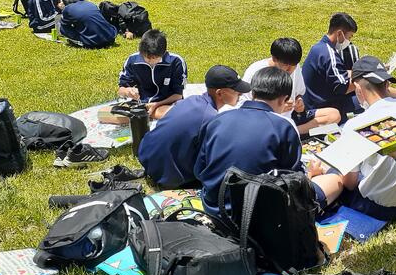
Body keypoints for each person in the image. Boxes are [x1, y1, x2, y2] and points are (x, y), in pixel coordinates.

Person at [307, 56, 396, 220]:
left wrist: (324, 170)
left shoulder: (356, 124)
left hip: (379, 206)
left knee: (334, 172)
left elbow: (350, 183)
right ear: (387, 84)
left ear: (358, 88)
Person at [194, 67, 322, 217]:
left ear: (253, 93)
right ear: (284, 99)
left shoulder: (218, 119)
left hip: (213, 207)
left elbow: (199, 170)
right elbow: (295, 184)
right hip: (255, 218)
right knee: (332, 180)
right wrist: (311, 173)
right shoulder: (283, 127)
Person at [138, 65, 249, 190]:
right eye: (236, 90)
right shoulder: (210, 118)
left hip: (147, 157)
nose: (240, 94)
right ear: (220, 93)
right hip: (167, 178)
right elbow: (209, 160)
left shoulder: (192, 100)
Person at [242, 37, 341, 135]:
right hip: (267, 121)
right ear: (274, 58)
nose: (290, 70)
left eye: (294, 65)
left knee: (334, 115)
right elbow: (244, 106)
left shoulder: (294, 67)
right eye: (285, 65)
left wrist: (299, 102)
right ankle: (287, 133)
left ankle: (293, 131)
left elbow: (298, 94)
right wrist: (278, 108)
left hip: (292, 117)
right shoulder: (256, 72)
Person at [302, 12, 360, 121]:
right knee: (367, 96)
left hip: (312, 104)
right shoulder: (329, 54)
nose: (349, 41)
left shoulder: (319, 48)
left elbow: (338, 73)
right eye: (349, 37)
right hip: (322, 109)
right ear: (340, 34)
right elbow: (342, 87)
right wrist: (366, 78)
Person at [118, 29, 187, 119]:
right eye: (146, 57)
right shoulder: (132, 61)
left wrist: (156, 104)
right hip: (140, 106)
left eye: (154, 58)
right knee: (106, 114)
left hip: (166, 104)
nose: (150, 61)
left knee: (177, 115)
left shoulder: (176, 62)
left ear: (164, 52)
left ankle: (148, 116)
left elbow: (178, 95)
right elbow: (121, 89)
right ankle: (145, 116)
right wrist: (127, 91)